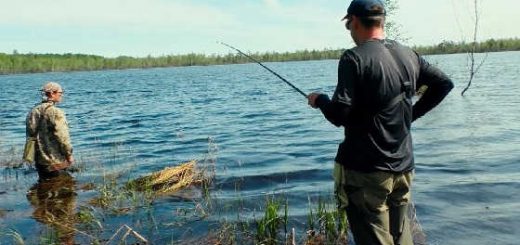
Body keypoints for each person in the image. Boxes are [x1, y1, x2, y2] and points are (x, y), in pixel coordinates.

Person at [307, 0, 454, 244]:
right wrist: (411, 115)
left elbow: (339, 115)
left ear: (353, 21)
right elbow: (444, 84)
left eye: (348, 26)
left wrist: (320, 100)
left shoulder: (353, 58)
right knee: (401, 237)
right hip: (404, 168)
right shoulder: (408, 54)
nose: (350, 32)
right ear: (381, 21)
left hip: (366, 171)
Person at [26, 82, 74, 179]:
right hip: (55, 161)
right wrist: (69, 155)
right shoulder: (56, 112)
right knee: (65, 189)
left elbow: (30, 135)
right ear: (52, 93)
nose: (62, 95)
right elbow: (63, 137)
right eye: (60, 93)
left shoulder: (33, 111)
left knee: (44, 188)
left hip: (39, 162)